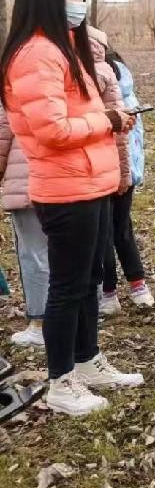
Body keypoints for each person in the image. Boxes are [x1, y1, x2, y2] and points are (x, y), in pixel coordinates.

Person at [0, 0, 144, 416]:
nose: (79, 5)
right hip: (65, 188)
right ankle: (61, 380)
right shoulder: (35, 54)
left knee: (87, 283)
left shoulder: (62, 49)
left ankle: (87, 361)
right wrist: (108, 119)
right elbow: (52, 129)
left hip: (91, 181)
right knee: (67, 286)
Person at [100, 42, 155, 311]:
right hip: (125, 172)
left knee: (109, 232)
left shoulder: (111, 98)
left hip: (108, 173)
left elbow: (128, 140)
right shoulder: (128, 92)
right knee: (121, 229)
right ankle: (136, 286)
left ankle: (111, 292)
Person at [0, 104, 48, 347]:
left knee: (33, 254)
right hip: (67, 181)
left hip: (26, 180)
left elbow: (2, 135)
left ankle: (40, 323)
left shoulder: (13, 88)